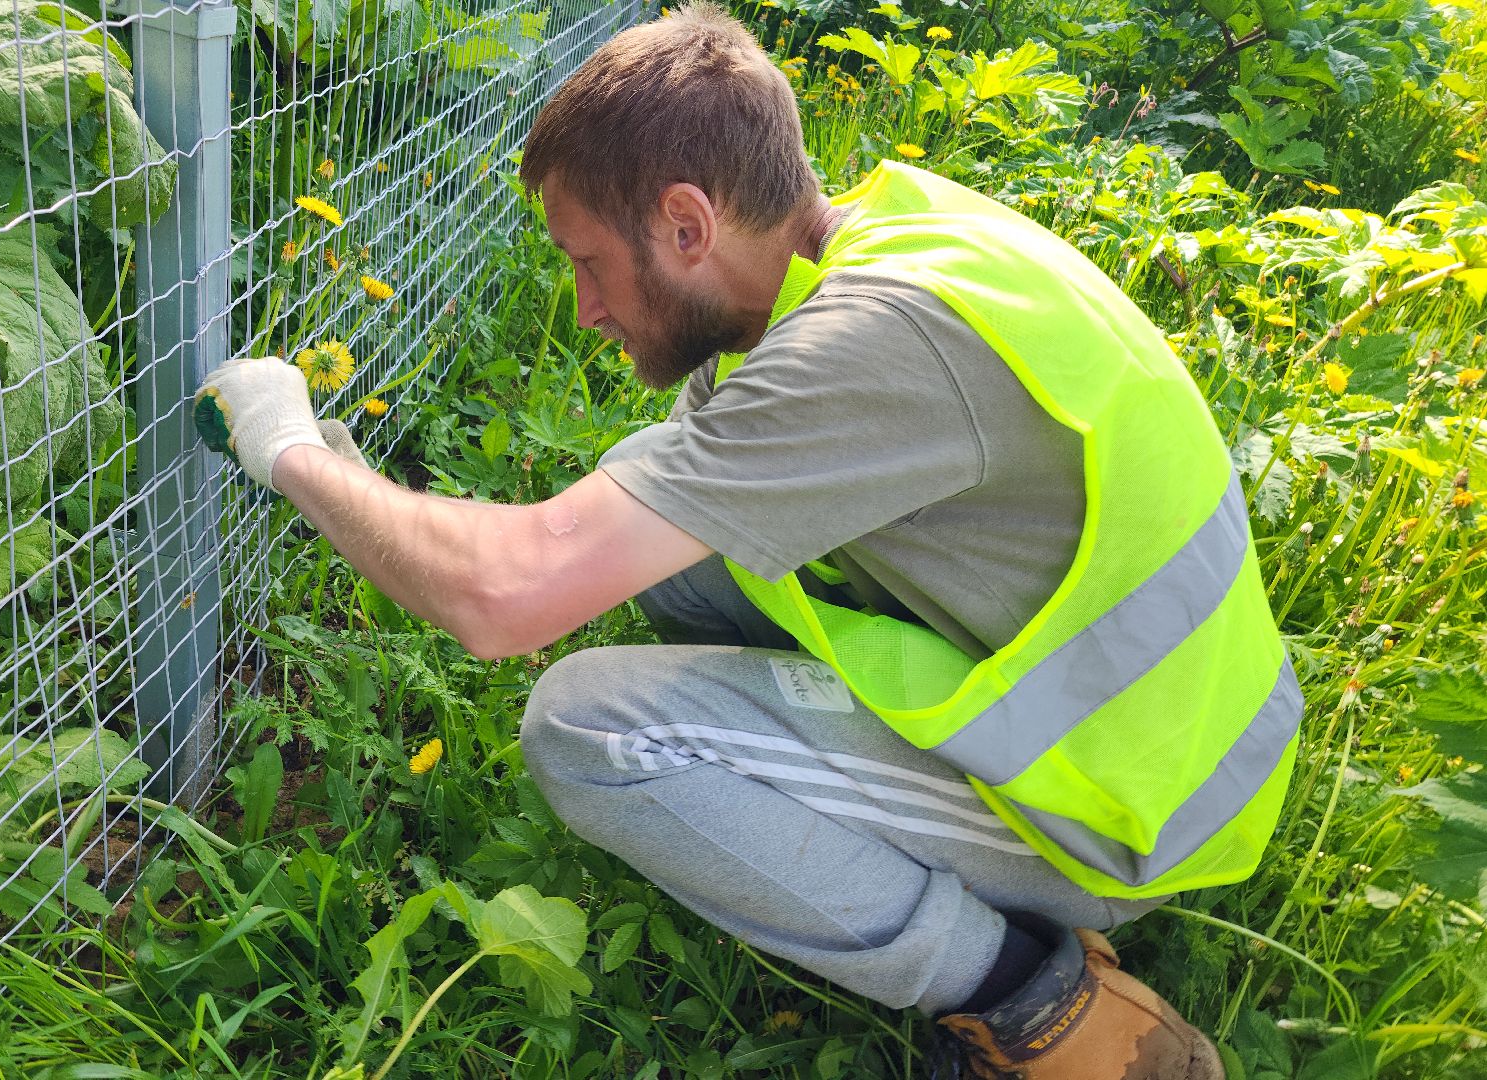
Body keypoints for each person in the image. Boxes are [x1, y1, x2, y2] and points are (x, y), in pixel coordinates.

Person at [196, 5, 1299, 1076]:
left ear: (687, 225)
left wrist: (289, 452)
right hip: (1157, 732)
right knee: (677, 549)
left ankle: (1034, 1001)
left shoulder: (874, 346)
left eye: (588, 262)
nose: (583, 308)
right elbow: (615, 519)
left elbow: (505, 598)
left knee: (591, 729)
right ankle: (835, 808)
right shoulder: (887, 240)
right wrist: (365, 491)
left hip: (1126, 811)